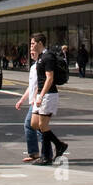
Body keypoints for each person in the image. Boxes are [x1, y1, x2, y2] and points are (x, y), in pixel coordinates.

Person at [30, 33, 68, 165]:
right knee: (34, 124)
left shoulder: (48, 57)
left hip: (49, 95)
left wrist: (41, 96)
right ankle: (59, 144)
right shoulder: (40, 57)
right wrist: (36, 94)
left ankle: (46, 157)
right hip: (41, 94)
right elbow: (39, 79)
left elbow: (49, 78)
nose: (31, 46)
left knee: (42, 125)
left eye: (33, 43)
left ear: (40, 43)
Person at [14, 38, 44, 162]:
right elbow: (30, 86)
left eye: (33, 51)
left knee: (31, 125)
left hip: (38, 101)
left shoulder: (40, 65)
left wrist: (36, 97)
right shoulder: (32, 67)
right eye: (30, 52)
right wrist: (21, 100)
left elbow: (40, 85)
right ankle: (42, 151)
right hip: (34, 101)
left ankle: (36, 153)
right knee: (39, 127)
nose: (31, 53)